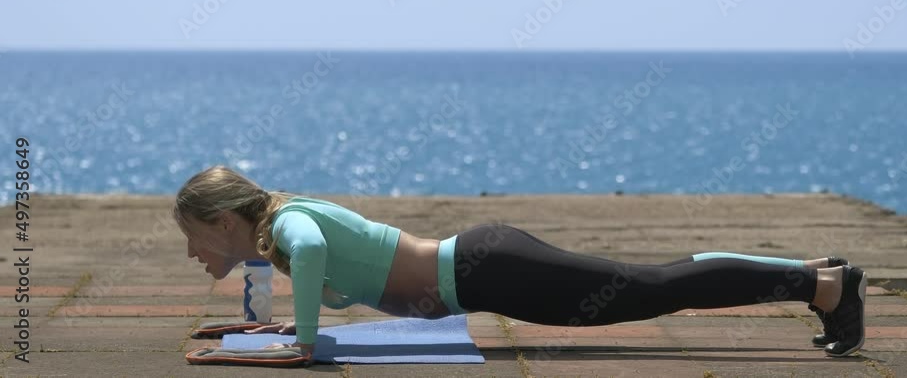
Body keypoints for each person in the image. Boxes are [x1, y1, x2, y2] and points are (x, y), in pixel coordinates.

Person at [174, 166, 866, 361]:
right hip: (483, 266)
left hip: (485, 269)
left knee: (651, 288)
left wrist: (296, 343)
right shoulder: (276, 233)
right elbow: (327, 292)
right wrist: (263, 326)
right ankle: (814, 272)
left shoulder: (293, 225)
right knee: (648, 285)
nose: (190, 252)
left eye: (193, 237)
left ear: (226, 220)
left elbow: (317, 254)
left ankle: (823, 283)